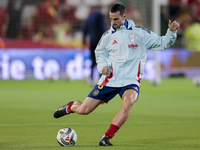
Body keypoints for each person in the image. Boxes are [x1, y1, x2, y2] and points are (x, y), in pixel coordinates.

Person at [54, 3, 180, 146]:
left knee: (129, 102)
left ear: (124, 17)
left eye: (116, 19)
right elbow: (99, 53)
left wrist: (171, 33)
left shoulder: (140, 33)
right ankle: (71, 107)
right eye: (111, 19)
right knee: (84, 110)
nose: (112, 22)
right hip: (110, 80)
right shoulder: (107, 36)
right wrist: (103, 66)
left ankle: (106, 137)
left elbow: (162, 43)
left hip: (131, 80)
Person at [83, 5, 107, 85]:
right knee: (101, 60)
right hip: (100, 42)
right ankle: (101, 79)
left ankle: (91, 78)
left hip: (92, 42)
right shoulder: (101, 16)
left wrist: (83, 42)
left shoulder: (90, 17)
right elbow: (103, 29)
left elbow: (85, 30)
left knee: (93, 61)